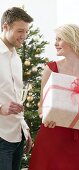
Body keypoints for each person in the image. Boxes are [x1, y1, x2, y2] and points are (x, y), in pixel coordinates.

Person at [29, 24, 79, 170]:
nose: (55, 43)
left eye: (59, 39)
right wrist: (45, 116)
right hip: (53, 134)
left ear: (72, 40)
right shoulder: (50, 69)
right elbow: (41, 106)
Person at [0, 7, 33, 170]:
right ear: (5, 27)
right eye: (20, 30)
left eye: (27, 31)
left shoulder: (16, 58)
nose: (24, 36)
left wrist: (24, 129)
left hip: (17, 135)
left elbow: (16, 98)